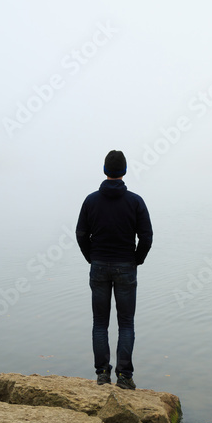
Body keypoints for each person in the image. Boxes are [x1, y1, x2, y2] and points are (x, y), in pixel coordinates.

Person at [76, 150, 152, 390]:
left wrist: (92, 257)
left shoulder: (91, 201)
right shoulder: (135, 201)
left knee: (100, 323)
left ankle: (102, 374)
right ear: (125, 171)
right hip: (125, 267)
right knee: (126, 323)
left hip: (99, 266)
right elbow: (147, 237)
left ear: (105, 170)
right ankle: (124, 377)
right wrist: (135, 260)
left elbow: (80, 234)